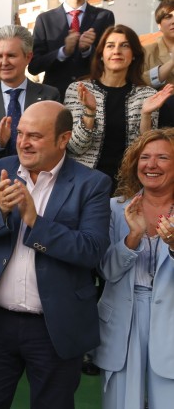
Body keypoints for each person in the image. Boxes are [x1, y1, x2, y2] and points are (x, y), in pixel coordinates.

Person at [0, 100, 112, 408]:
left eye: (35, 136)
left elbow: (92, 251)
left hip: (56, 326)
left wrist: (35, 222)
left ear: (63, 139)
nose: (23, 142)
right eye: (20, 133)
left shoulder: (92, 184)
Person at [94, 128, 174, 408]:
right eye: (145, 157)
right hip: (122, 322)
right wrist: (132, 237)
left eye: (162, 157)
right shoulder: (115, 208)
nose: (151, 165)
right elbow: (106, 272)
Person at [64, 24, 172, 192]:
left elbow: (145, 151)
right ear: (101, 54)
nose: (117, 51)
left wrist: (145, 114)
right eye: (110, 45)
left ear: (134, 55)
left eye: (124, 45)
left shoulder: (146, 94)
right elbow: (75, 147)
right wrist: (90, 112)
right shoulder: (78, 89)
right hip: (82, 185)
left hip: (128, 187)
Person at [0, 25, 60, 165]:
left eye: (11, 55)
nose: (4, 62)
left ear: (28, 57)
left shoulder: (49, 96)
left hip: (39, 178)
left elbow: (57, 142)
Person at [31, 0, 116, 94]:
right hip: (55, 97)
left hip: (93, 96)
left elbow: (109, 60)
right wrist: (63, 52)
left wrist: (87, 51)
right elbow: (34, 67)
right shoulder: (45, 20)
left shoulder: (104, 17)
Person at [142, 0, 174, 88]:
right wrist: (171, 63)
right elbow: (138, 83)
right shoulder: (146, 52)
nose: (173, 21)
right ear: (159, 25)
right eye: (168, 17)